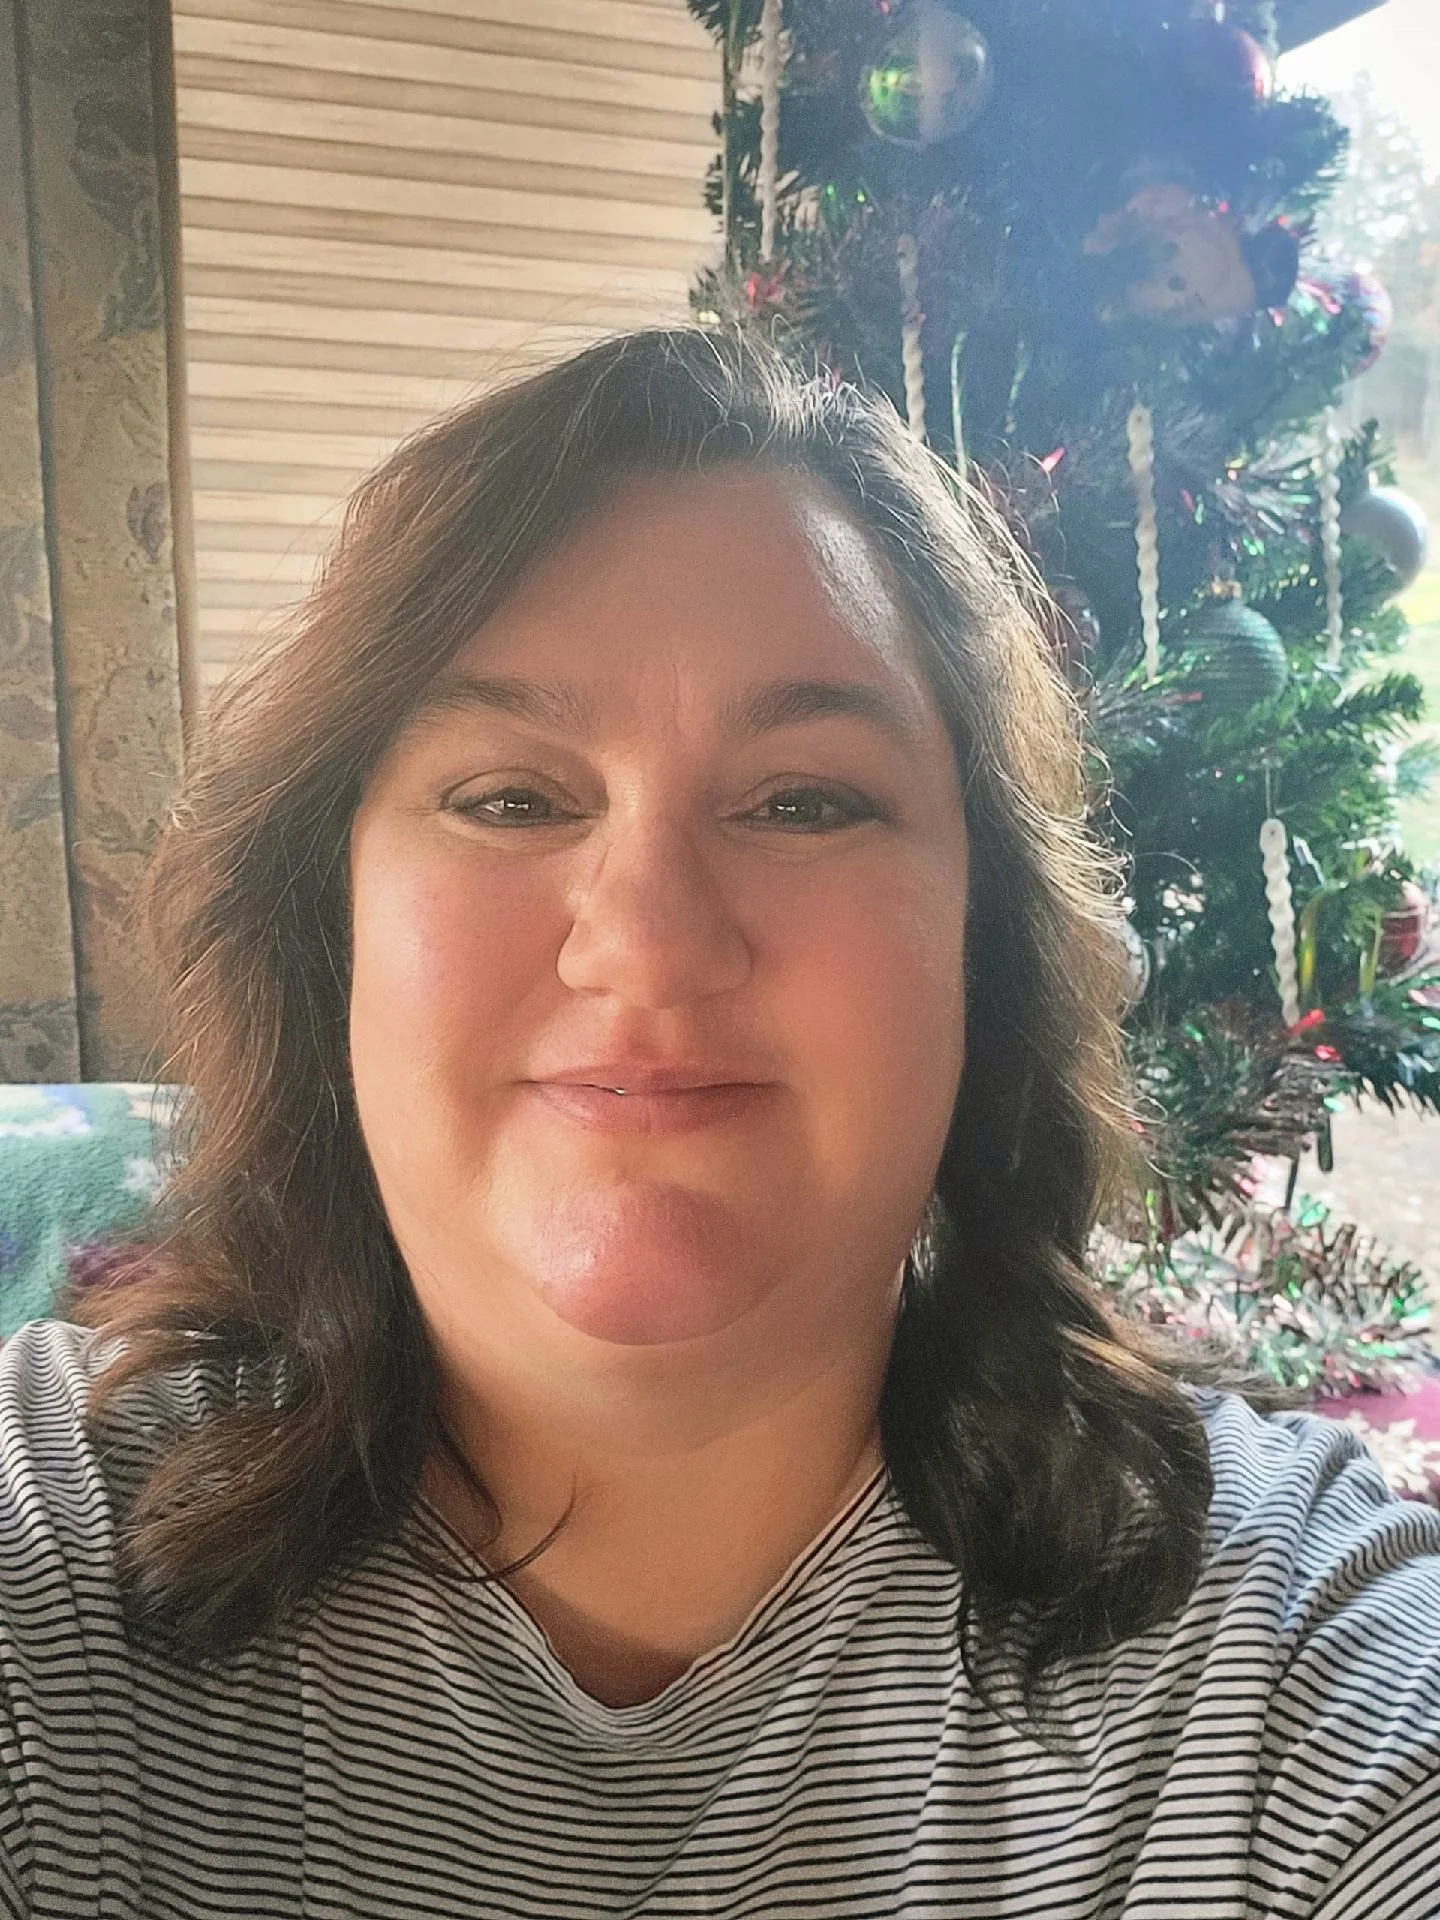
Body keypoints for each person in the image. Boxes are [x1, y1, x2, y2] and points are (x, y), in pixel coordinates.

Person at [0, 327, 1436, 1919]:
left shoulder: (1288, 1664)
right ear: (328, 927)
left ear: (986, 946)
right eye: (510, 797)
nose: (650, 939)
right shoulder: (40, 1543)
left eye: (806, 800)